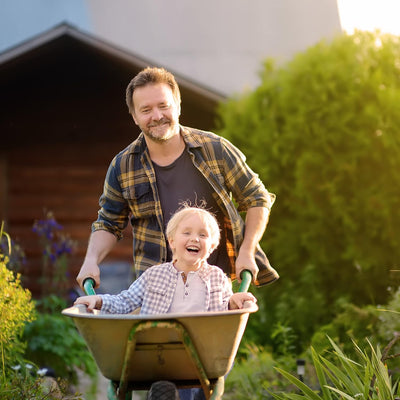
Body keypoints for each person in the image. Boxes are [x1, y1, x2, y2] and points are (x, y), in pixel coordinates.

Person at [76, 66, 278, 291]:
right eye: (146, 110)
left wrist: (247, 251)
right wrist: (90, 260)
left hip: (216, 289)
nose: (157, 116)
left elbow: (256, 198)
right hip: (155, 291)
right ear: (134, 117)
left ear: (178, 106)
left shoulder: (215, 150)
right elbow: (108, 222)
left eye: (163, 105)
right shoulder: (123, 165)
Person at [75, 206, 257, 400]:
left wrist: (233, 302)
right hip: (155, 353)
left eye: (203, 235)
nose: (195, 238)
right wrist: (99, 300)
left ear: (212, 246)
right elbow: (125, 301)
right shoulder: (154, 275)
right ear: (172, 241)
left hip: (202, 356)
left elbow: (222, 313)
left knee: (197, 391)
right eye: (186, 232)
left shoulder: (217, 277)